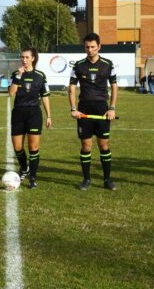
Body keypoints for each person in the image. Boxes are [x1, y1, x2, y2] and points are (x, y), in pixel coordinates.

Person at [68, 33, 118, 191]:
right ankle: (86, 179)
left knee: (104, 145)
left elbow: (115, 87)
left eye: (93, 47)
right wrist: (74, 108)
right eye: (87, 47)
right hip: (84, 110)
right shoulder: (78, 65)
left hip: (102, 109)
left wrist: (112, 108)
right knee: (86, 145)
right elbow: (71, 88)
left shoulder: (108, 64)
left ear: (99, 47)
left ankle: (107, 180)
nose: (90, 50)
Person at [9, 47, 52, 189]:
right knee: (17, 147)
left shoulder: (40, 75)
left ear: (33, 58)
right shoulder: (16, 74)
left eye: (27, 57)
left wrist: (48, 116)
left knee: (33, 147)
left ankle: (32, 177)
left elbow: (45, 97)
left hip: (34, 113)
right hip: (18, 113)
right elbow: (11, 93)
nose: (24, 60)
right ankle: (24, 168)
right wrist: (18, 76)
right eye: (22, 57)